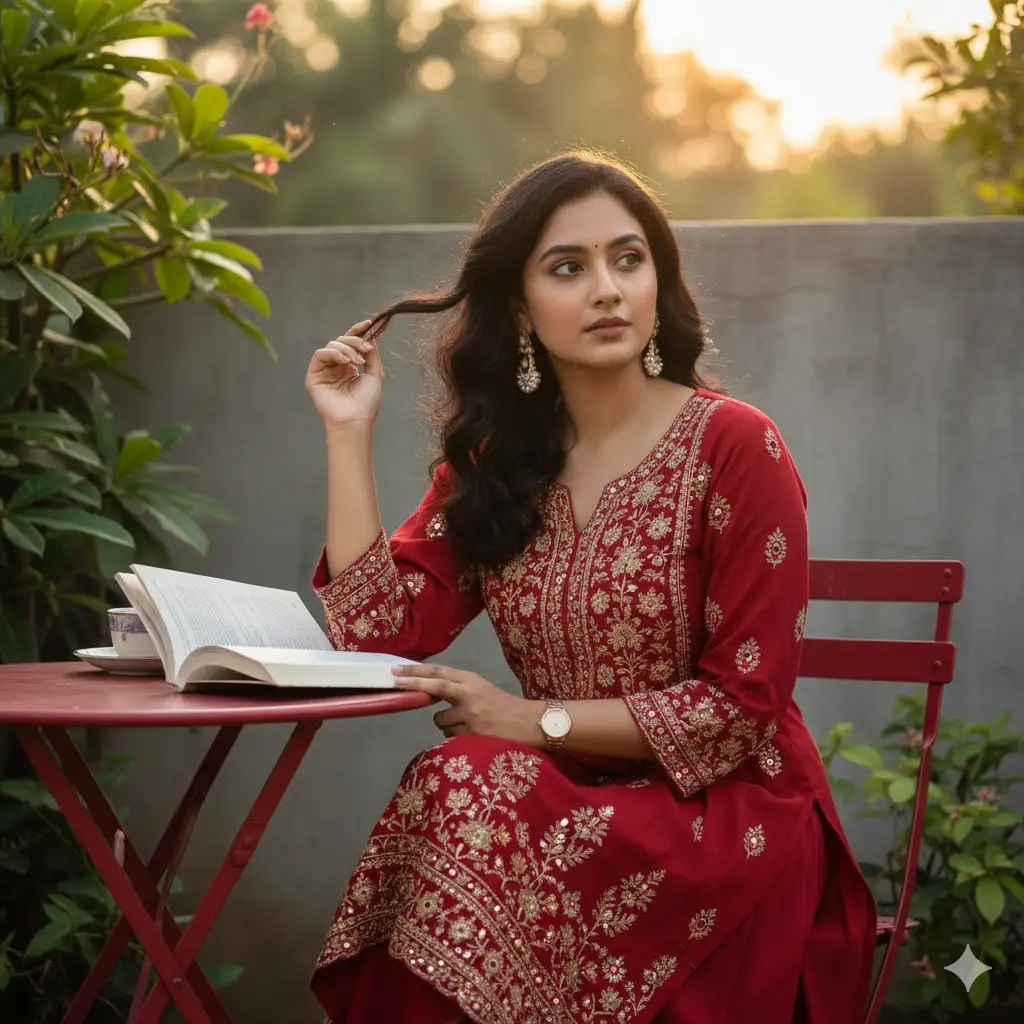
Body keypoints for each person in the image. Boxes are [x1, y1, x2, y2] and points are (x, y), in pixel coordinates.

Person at [303, 153, 877, 1024]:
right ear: (518, 307)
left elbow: (742, 708)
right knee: (464, 777)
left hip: (721, 815)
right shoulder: (501, 465)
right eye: (568, 267)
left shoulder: (733, 445)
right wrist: (348, 433)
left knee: (473, 779)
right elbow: (376, 635)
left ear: (658, 283)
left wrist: (534, 721)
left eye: (628, 259)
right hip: (552, 806)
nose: (607, 289)